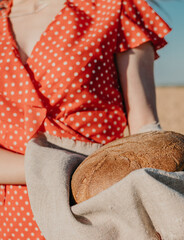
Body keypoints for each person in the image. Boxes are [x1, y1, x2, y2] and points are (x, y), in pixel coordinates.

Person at [0, 0, 171, 238]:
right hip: (12, 217)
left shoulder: (115, 7)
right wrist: (61, 168)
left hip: (94, 208)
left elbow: (145, 127)